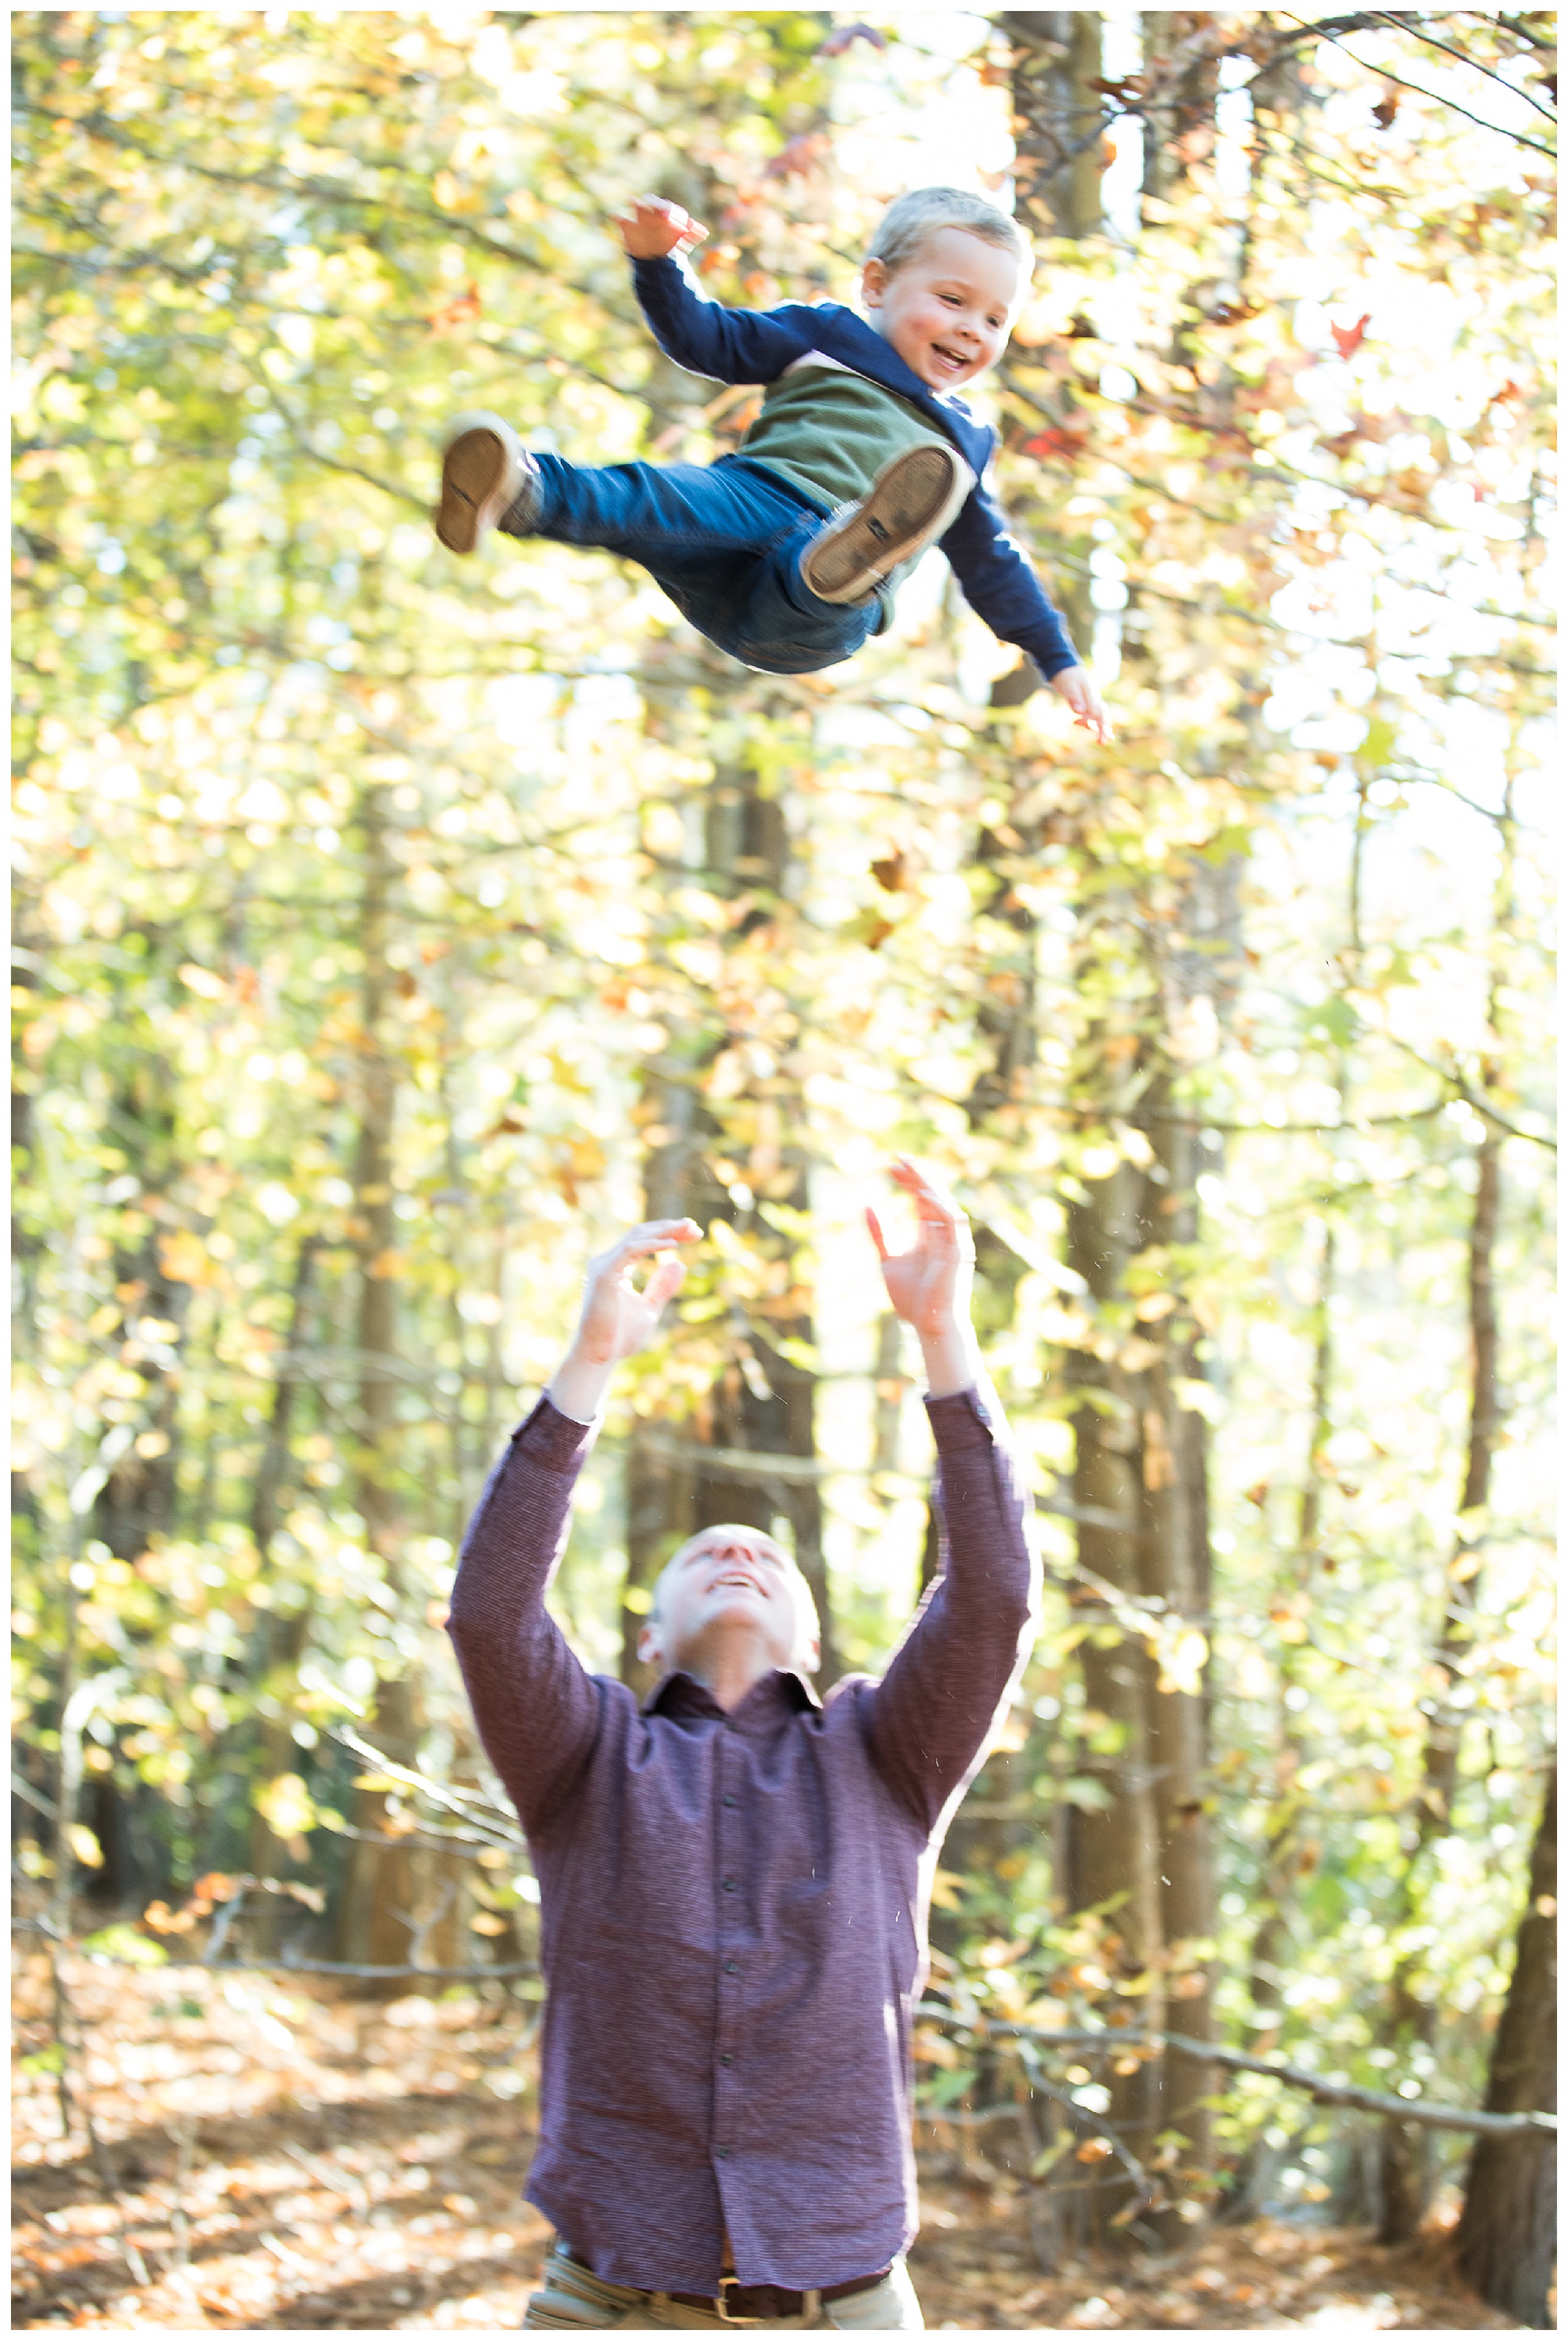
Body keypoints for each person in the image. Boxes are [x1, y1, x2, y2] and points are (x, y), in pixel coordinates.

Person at [447, 1160, 1038, 2329]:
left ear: (809, 1627)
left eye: (767, 1555)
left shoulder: (886, 1750)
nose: (740, 1553)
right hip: (606, 2299)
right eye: (703, 1552)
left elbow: (994, 1598)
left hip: (847, 2301)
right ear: (650, 1627)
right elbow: (488, 1610)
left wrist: (944, 1339)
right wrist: (591, 1363)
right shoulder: (585, 1757)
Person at [434, 183, 1111, 742]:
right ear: (876, 286)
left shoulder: (965, 444)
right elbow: (705, 339)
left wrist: (1056, 656)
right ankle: (518, 491)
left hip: (804, 624)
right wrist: (657, 263)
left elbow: (992, 564)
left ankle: (844, 559)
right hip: (748, 506)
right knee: (656, 496)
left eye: (996, 321)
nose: (973, 329)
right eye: (953, 301)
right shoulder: (825, 338)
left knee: (826, 586)